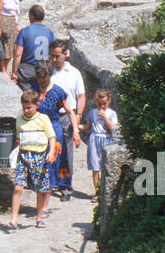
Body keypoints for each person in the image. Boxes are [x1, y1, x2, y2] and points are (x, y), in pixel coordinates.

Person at [8, 89, 59, 230]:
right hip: (23, 156)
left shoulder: (43, 119)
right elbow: (19, 138)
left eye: (29, 107)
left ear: (36, 105)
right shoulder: (19, 120)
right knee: (18, 187)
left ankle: (39, 218)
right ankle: (13, 220)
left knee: (39, 189)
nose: (26, 111)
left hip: (39, 157)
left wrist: (51, 151)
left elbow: (51, 137)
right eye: (24, 108)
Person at [32, 61, 81, 196]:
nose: (41, 82)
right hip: (38, 129)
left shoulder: (58, 91)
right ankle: (41, 188)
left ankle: (64, 188)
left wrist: (76, 131)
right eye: (39, 79)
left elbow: (70, 111)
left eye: (44, 79)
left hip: (54, 128)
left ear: (49, 75)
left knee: (58, 158)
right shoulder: (34, 89)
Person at [49, 41, 86, 199]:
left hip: (66, 116)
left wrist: (78, 116)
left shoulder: (74, 73)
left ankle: (65, 185)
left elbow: (81, 96)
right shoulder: (48, 71)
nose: (54, 60)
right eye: (52, 56)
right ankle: (50, 183)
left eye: (57, 56)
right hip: (49, 116)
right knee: (49, 149)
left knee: (65, 151)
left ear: (65, 54)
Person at [82, 88, 119, 202]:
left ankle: (107, 191)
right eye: (99, 104)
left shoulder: (112, 113)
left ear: (109, 101)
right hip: (94, 139)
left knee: (106, 167)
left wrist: (104, 117)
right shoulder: (92, 113)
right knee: (95, 167)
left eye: (104, 103)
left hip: (107, 140)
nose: (102, 106)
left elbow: (113, 128)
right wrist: (75, 126)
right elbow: (87, 126)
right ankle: (97, 191)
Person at [11, 4, 55, 88]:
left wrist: (14, 72)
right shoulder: (50, 33)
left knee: (27, 96)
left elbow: (18, 53)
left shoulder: (24, 31)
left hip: (26, 71)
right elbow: (52, 53)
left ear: (32, 16)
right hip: (43, 69)